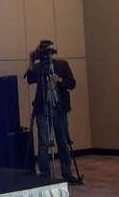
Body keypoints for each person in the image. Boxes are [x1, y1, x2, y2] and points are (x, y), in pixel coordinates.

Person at [24, 40, 80, 183]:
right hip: (42, 109)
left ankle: (67, 174)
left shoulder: (62, 65)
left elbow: (72, 84)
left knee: (63, 143)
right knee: (43, 144)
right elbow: (30, 79)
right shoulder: (39, 67)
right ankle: (45, 176)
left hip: (59, 108)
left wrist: (60, 80)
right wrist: (31, 60)